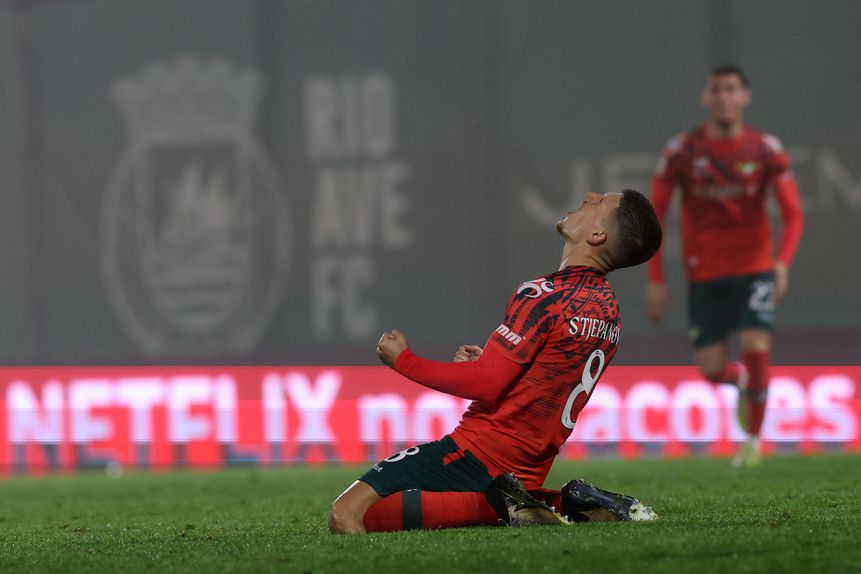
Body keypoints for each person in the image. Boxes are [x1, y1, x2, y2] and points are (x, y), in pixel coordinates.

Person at [329, 189, 663, 534]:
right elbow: (546, 378)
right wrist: (495, 362)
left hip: (475, 455)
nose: (590, 195)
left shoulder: (543, 295)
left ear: (597, 236)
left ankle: (502, 504)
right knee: (388, 512)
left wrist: (404, 361)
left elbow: (487, 383)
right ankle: (563, 503)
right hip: (528, 470)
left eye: (600, 202)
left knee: (347, 514)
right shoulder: (608, 313)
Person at [646, 65, 804, 467]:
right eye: (716, 90)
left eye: (732, 89)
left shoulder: (764, 149)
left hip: (755, 267)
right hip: (704, 273)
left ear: (745, 97)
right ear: (705, 98)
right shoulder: (682, 151)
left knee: (756, 346)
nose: (724, 97)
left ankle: (752, 441)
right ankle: (743, 383)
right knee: (712, 370)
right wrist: (656, 278)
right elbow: (654, 216)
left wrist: (781, 264)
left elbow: (794, 215)